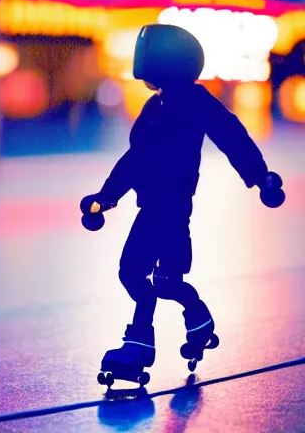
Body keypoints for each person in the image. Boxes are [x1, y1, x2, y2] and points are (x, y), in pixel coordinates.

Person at [81, 24, 285, 381]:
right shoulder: (153, 107)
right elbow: (135, 158)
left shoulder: (196, 102)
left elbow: (232, 137)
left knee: (136, 272)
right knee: (165, 281)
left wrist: (259, 177)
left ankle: (139, 346)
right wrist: (106, 197)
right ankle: (198, 320)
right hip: (154, 206)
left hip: (170, 207)